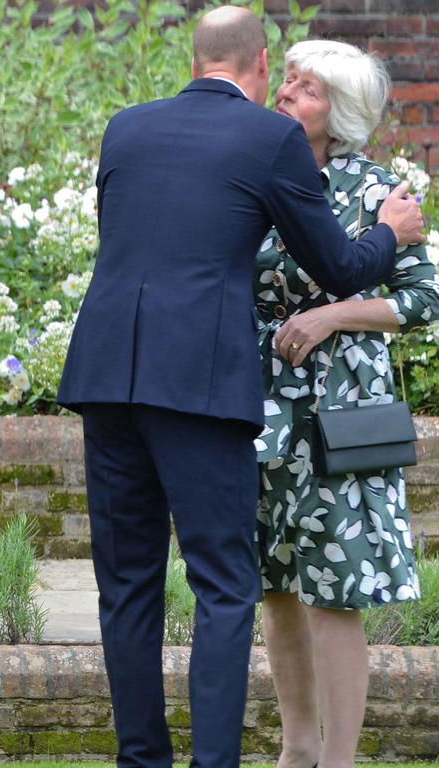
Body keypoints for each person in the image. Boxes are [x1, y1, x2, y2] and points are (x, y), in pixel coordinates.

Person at [56, 6, 426, 768]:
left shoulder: (125, 128)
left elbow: (134, 243)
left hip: (106, 375)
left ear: (196, 59)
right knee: (226, 585)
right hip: (199, 385)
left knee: (127, 588)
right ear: (259, 64)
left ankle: (142, 761)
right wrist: (391, 232)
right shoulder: (270, 138)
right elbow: (341, 269)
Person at [253, 40, 439, 768]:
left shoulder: (377, 192)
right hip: (263, 415)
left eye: (308, 88)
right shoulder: (260, 180)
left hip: (339, 418)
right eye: (288, 80)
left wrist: (332, 315)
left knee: (335, 590)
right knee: (275, 585)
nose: (288, 92)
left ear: (345, 114)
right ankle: (296, 750)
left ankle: (339, 761)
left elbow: (424, 297)